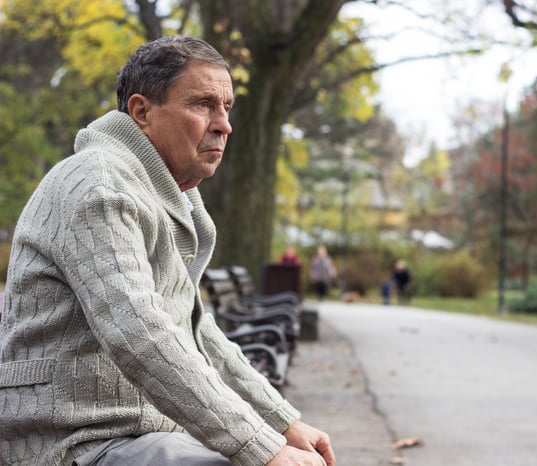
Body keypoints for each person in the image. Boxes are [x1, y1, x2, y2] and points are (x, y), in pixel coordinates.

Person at [0, 36, 335, 466]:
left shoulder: (161, 191)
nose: (223, 124)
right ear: (142, 111)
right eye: (203, 104)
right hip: (73, 436)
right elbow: (139, 333)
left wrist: (281, 423)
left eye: (226, 107)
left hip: (134, 428)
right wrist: (262, 447)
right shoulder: (97, 184)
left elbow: (193, 332)